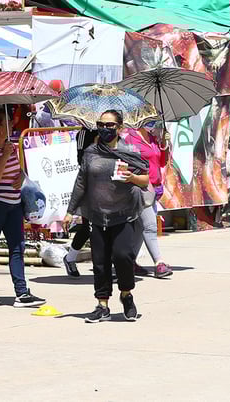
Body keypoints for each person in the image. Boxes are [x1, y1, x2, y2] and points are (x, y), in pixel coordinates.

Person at [67, 110, 149, 323]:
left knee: (123, 256)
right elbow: (81, 182)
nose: (104, 128)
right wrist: (70, 211)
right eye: (101, 124)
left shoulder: (129, 150)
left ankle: (126, 294)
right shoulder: (91, 152)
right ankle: (102, 304)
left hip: (124, 214)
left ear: (120, 128)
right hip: (97, 214)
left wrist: (132, 177)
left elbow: (146, 179)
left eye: (110, 125)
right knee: (100, 262)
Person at [0, 109, 45, 308]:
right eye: (7, 123)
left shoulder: (10, 146)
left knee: (17, 246)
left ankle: (21, 292)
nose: (12, 126)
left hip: (13, 205)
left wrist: (21, 176)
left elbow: (19, 171)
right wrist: (4, 155)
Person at [124, 120, 173, 279]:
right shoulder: (130, 139)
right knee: (150, 225)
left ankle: (129, 262)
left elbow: (161, 162)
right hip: (140, 188)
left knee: (140, 228)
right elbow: (127, 164)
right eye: (149, 119)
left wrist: (164, 144)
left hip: (155, 189)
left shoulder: (153, 138)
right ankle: (159, 263)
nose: (152, 122)